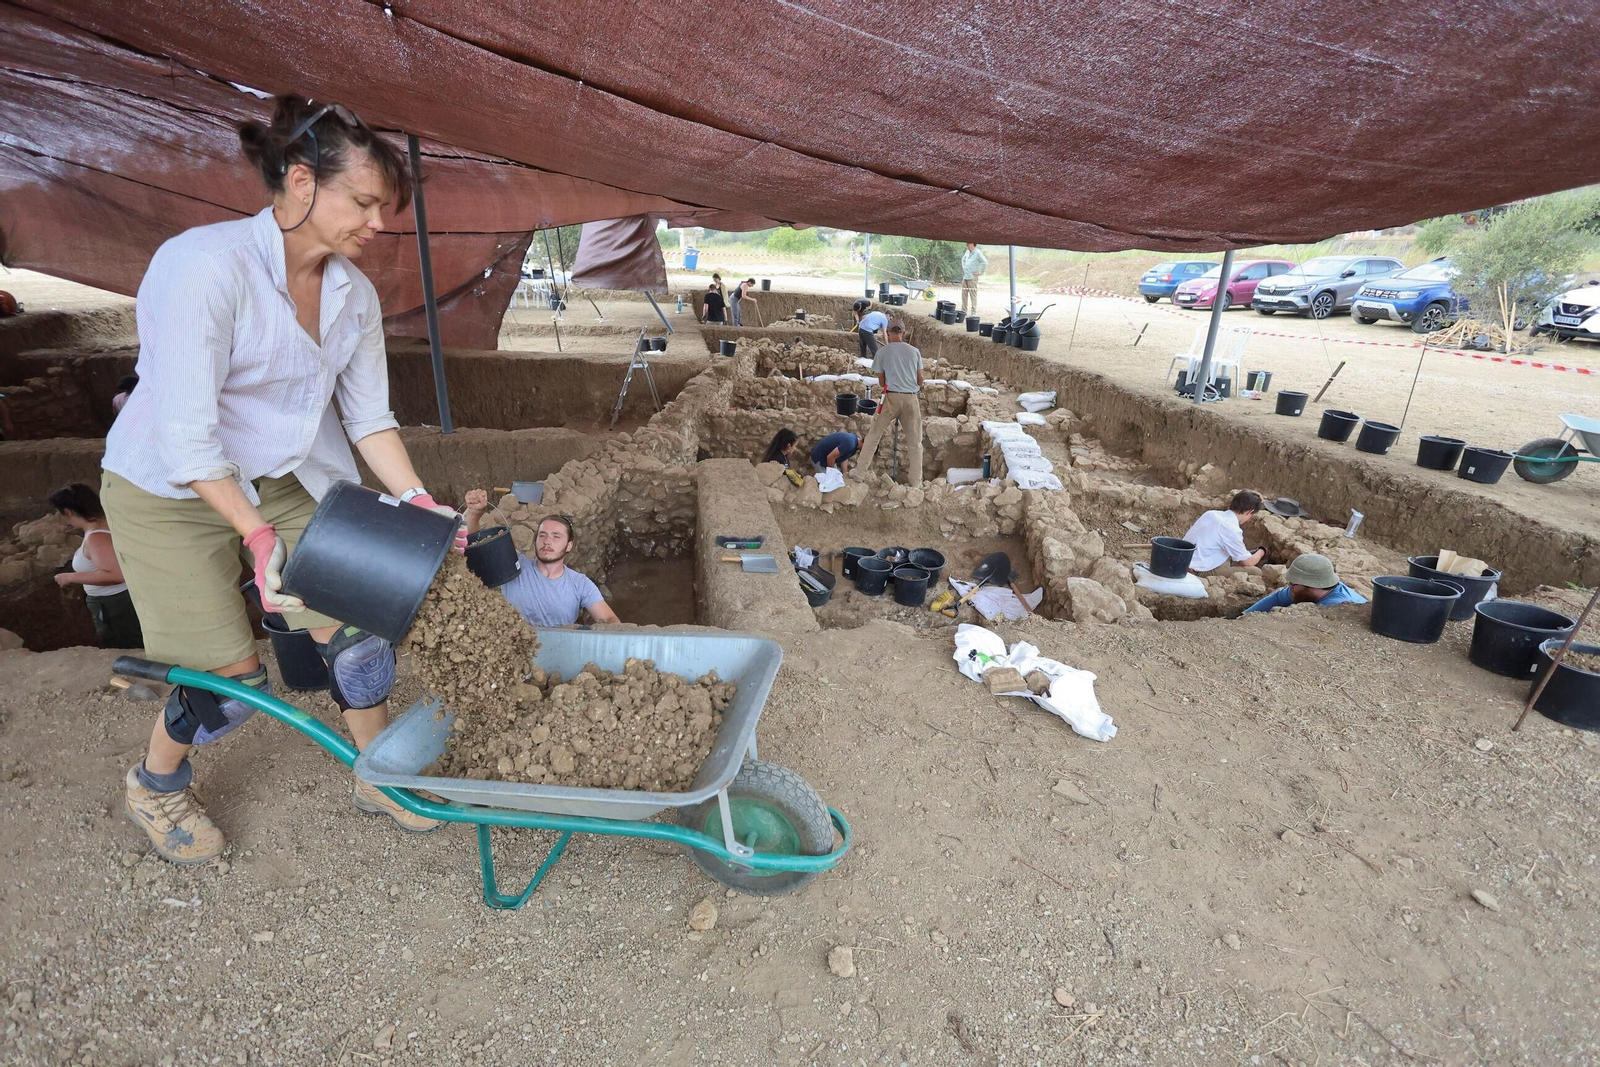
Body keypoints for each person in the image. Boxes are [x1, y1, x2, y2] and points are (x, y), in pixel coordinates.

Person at [103, 95, 466, 863]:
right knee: (229, 684)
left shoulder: (352, 296)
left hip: (288, 474)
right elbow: (187, 435)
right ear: (301, 183)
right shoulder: (204, 267)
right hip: (169, 487)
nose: (378, 222)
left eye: (384, 208)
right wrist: (258, 536)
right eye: (364, 202)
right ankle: (154, 784)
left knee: (361, 632)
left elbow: (369, 420)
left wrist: (419, 504)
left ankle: (378, 774)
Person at [463, 491, 620, 627]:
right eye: (542, 535)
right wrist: (474, 514)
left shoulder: (580, 584)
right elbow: (477, 543)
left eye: (556, 536)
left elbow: (609, 618)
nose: (547, 541)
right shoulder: (514, 564)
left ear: (569, 545)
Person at [49, 483, 144, 649]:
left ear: (68, 512)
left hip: (114, 604)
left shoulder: (97, 538)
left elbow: (115, 574)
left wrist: (71, 577)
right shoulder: (108, 523)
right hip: (124, 599)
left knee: (123, 643)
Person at [855, 320, 924, 485]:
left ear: (887, 333)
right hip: (910, 398)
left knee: (873, 436)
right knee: (915, 443)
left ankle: (859, 474)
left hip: (891, 398)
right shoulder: (914, 352)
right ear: (904, 333)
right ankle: (916, 482)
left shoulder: (883, 352)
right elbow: (920, 380)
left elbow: (881, 382)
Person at [1242, 553, 1367, 614]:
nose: (1289, 586)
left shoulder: (1336, 607)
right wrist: (1243, 618)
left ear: (1313, 586)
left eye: (1294, 584)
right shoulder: (1304, 591)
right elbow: (1277, 598)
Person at [1181, 490, 1267, 572]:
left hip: (1181, 559)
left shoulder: (1211, 514)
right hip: (1196, 569)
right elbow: (1247, 562)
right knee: (1256, 571)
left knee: (1230, 557)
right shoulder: (1232, 529)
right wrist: (1262, 551)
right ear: (1249, 512)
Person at [960, 243, 988, 315]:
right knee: (964, 295)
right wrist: (964, 268)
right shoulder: (967, 252)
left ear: (973, 244)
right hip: (965, 276)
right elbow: (963, 260)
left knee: (973, 295)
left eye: (968, 243)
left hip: (972, 278)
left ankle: (973, 312)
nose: (967, 245)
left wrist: (980, 272)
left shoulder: (978, 253)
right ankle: (963, 311)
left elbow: (985, 263)